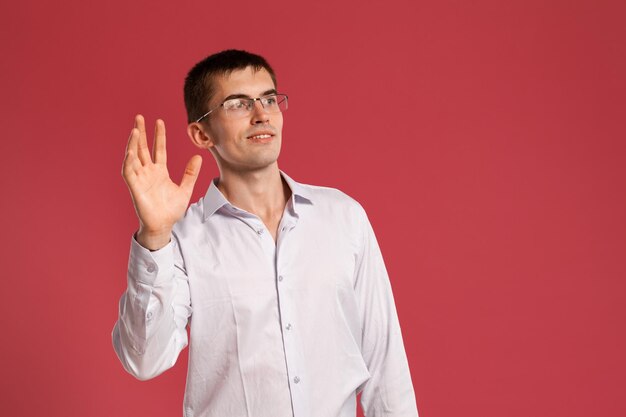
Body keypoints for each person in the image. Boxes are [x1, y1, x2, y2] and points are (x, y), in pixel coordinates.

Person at [112, 49, 418, 417]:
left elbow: (385, 365)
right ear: (201, 133)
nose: (262, 116)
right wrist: (155, 234)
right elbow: (144, 360)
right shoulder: (181, 240)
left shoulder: (343, 217)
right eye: (238, 104)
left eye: (269, 99)